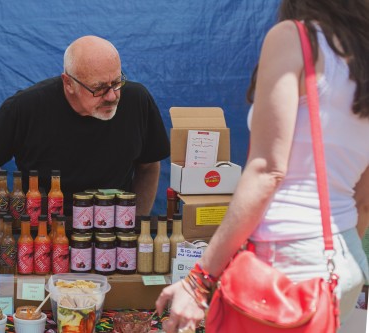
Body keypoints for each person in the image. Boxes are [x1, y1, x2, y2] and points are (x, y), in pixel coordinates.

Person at [156, 0, 369, 331]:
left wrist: (198, 280)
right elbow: (364, 198)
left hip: (285, 268)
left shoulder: (295, 38)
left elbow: (267, 170)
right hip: (343, 261)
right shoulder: (361, 56)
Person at [0, 35, 169, 215]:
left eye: (117, 82)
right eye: (99, 88)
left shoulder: (137, 101)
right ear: (68, 83)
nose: (112, 96)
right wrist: (8, 216)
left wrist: (135, 223)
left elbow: (149, 165)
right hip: (43, 234)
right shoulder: (24, 108)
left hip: (112, 233)